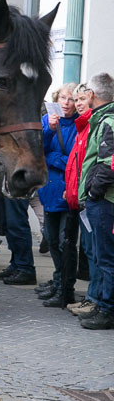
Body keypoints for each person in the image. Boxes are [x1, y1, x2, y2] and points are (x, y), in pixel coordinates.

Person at [37, 83, 79, 307]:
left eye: (71, 99)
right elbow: (37, 150)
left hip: (67, 189)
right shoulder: (48, 121)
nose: (66, 103)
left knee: (65, 242)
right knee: (52, 240)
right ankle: (57, 279)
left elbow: (74, 158)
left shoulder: (79, 125)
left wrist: (52, 158)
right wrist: (48, 131)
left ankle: (65, 287)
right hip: (49, 189)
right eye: (63, 98)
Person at [77, 73, 114, 330]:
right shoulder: (101, 119)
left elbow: (108, 165)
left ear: (93, 95)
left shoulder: (108, 121)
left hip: (104, 202)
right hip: (100, 200)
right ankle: (102, 304)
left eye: (86, 91)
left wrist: (92, 193)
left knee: (106, 258)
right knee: (102, 257)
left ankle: (107, 310)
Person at [65, 84, 100, 318]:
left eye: (81, 99)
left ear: (93, 99)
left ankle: (96, 300)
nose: (77, 103)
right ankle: (92, 297)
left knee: (95, 253)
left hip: (91, 200)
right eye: (75, 99)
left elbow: (92, 166)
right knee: (89, 251)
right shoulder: (82, 126)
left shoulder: (92, 124)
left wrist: (84, 193)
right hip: (81, 199)